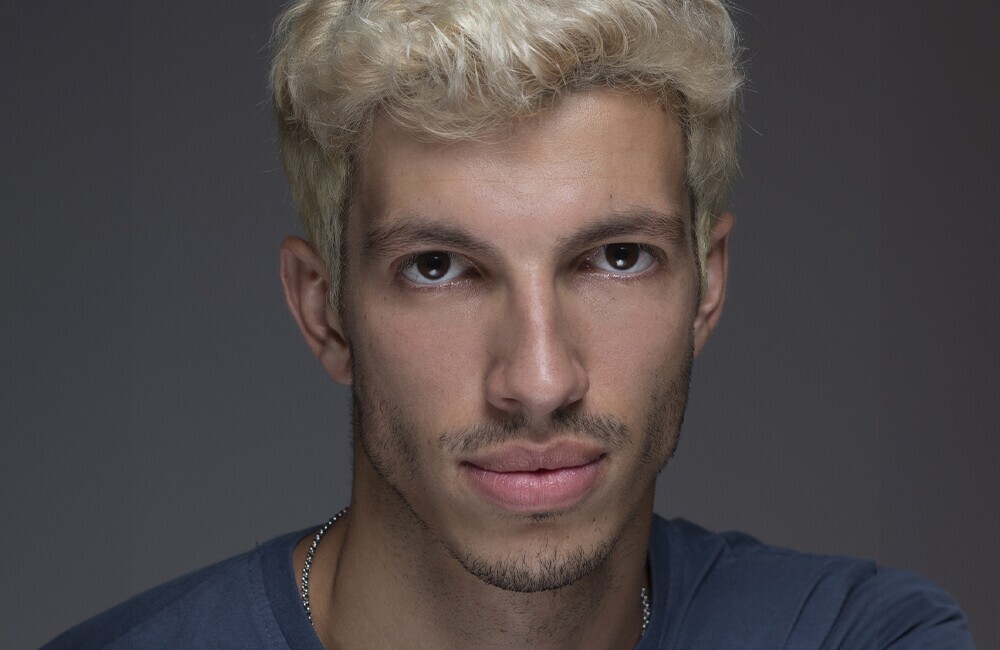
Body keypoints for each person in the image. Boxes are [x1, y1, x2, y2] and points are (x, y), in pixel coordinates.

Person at [44, 0, 973, 648]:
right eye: (439, 268)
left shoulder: (859, 634)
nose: (538, 379)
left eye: (617, 257)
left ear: (708, 284)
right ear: (324, 311)